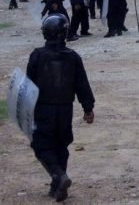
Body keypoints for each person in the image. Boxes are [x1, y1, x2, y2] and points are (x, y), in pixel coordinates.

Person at [27, 14, 95, 202]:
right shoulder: (73, 57)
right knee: (61, 145)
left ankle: (58, 175)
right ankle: (58, 186)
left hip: (43, 109)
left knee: (41, 145)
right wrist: (88, 108)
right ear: (65, 33)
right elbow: (82, 85)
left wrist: (25, 111)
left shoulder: (37, 56)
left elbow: (28, 86)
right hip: (65, 109)